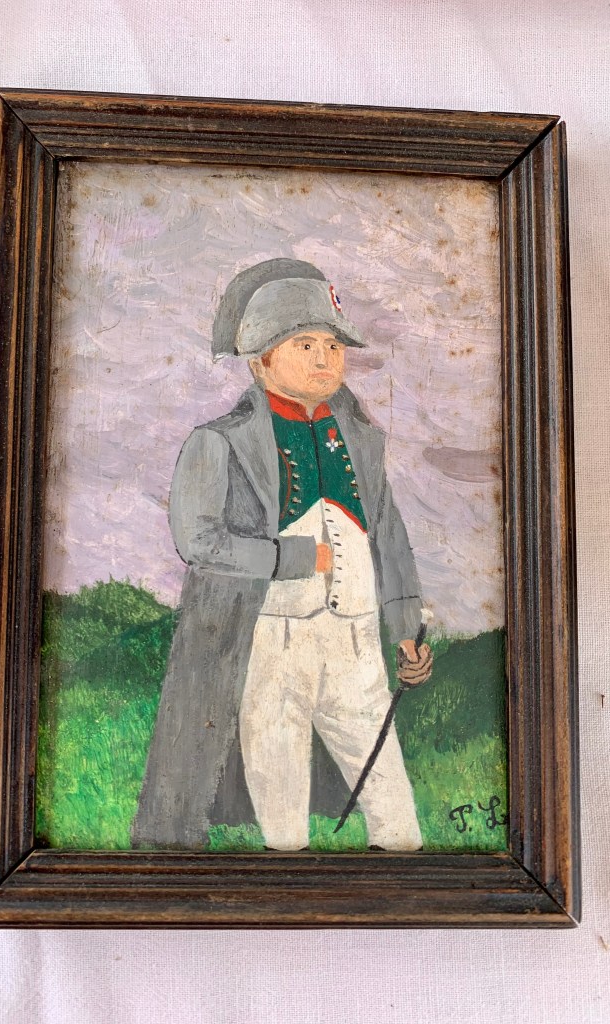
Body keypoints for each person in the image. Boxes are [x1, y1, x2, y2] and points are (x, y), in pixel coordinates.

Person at [131, 258, 433, 852]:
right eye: (305, 345)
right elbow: (198, 542)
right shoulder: (216, 442)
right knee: (282, 812)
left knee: (397, 819)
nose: (325, 360)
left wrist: (404, 630)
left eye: (333, 346)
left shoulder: (362, 441)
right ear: (260, 358)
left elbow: (390, 540)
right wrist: (294, 560)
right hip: (267, 643)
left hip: (357, 649)